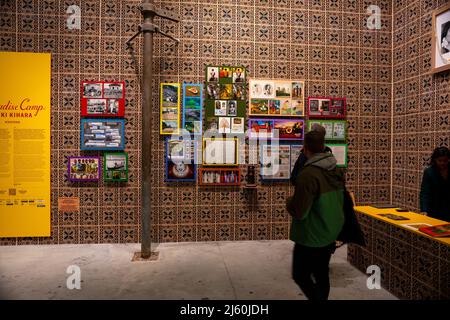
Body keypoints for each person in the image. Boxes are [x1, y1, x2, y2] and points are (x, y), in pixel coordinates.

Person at [286, 131, 345, 300]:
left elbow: (299, 211)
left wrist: (288, 201)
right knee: (321, 273)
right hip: (329, 230)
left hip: (311, 234)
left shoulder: (308, 174)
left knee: (300, 274)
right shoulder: (335, 170)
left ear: (305, 149)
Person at [420, 146, 450, 222]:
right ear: (435, 160)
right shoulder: (429, 172)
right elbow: (425, 192)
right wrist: (424, 210)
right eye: (440, 161)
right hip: (434, 208)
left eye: (445, 161)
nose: (442, 163)